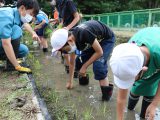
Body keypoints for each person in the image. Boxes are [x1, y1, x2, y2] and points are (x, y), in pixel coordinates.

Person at [51, 20, 115, 101]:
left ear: (69, 41)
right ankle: (84, 86)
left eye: (63, 50)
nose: (64, 53)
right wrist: (70, 81)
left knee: (99, 66)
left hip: (106, 39)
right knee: (79, 62)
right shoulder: (70, 39)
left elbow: (99, 52)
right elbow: (72, 63)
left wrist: (85, 67)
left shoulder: (84, 33)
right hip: (94, 40)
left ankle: (106, 99)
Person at [109, 27, 160, 120]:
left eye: (131, 79)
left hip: (156, 55)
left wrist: (154, 104)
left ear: (143, 69)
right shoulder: (126, 54)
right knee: (134, 93)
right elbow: (121, 98)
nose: (130, 83)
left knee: (147, 106)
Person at [0, 0, 40, 73]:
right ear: (22, 8)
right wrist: (17, 66)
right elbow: (5, 42)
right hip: (3, 42)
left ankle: (11, 60)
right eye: (31, 14)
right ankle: (11, 65)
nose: (31, 17)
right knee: (17, 29)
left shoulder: (17, 14)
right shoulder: (6, 15)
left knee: (23, 50)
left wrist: (33, 33)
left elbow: (25, 24)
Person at [49, 0, 80, 76]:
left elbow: (77, 17)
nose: (50, 2)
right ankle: (69, 69)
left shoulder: (68, 2)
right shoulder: (58, 5)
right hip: (65, 30)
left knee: (73, 52)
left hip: (73, 29)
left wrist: (68, 28)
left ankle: (75, 71)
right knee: (65, 53)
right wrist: (59, 28)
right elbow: (62, 20)